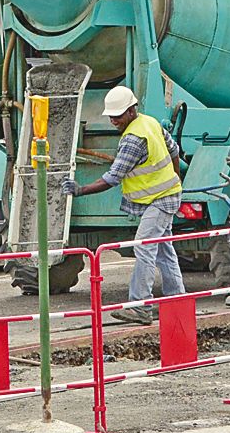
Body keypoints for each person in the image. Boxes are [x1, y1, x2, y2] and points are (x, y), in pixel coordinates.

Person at [60, 85, 184, 325]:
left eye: (118, 116)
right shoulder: (150, 123)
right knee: (164, 251)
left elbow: (112, 178)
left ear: (131, 110)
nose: (114, 120)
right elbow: (174, 150)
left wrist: (81, 190)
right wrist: (177, 178)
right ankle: (177, 301)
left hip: (160, 200)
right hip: (164, 196)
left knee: (144, 248)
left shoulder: (134, 139)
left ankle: (140, 306)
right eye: (112, 116)